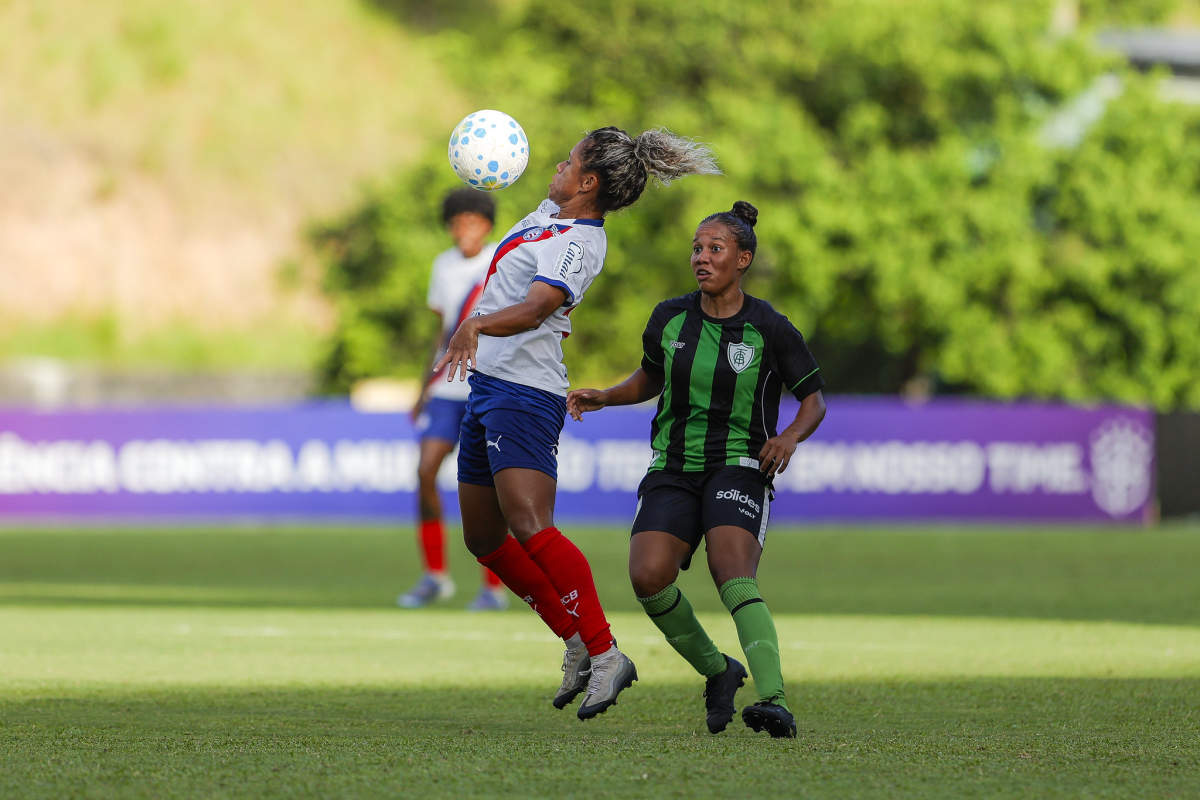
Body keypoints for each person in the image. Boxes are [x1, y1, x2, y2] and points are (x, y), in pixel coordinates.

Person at [435, 126, 720, 719]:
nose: (557, 167)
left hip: (524, 392)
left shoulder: (581, 241)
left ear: (588, 182)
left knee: (531, 525)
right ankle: (577, 640)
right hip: (487, 386)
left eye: (568, 163)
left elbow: (539, 305)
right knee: (483, 539)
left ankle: (606, 652)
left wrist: (476, 325)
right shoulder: (548, 217)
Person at [565, 201, 826, 738]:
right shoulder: (670, 317)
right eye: (696, 248)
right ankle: (718, 669)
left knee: (732, 574)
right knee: (647, 577)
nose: (701, 258)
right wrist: (608, 395)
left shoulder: (770, 327)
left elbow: (813, 401)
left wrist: (788, 437)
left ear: (743, 259)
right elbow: (650, 376)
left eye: (715, 249)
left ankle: (774, 699)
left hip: (740, 465)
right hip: (673, 465)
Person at [398, 188, 508, 611]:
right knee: (425, 470)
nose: (465, 230)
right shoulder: (442, 265)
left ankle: (493, 587)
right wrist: (422, 387)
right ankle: (435, 576)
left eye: (473, 222)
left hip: (485, 383)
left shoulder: (501, 259)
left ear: (487, 225)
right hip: (446, 387)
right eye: (458, 223)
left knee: (489, 485)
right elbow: (442, 331)